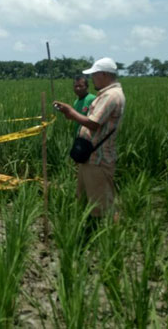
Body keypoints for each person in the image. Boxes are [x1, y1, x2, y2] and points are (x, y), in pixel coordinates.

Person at [53, 57, 126, 218]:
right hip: (90, 156)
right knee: (85, 198)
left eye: (94, 75)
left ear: (104, 75)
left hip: (98, 158)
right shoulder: (107, 94)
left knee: (100, 205)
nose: (92, 78)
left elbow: (93, 123)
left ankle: (105, 235)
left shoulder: (111, 96)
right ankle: (87, 229)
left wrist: (71, 113)